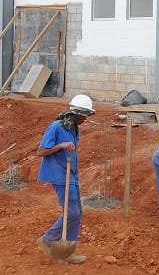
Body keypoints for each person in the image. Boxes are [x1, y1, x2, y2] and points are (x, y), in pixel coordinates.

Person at [35, 94, 94, 265]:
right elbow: (40, 151)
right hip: (59, 175)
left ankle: (68, 251)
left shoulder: (74, 127)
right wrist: (61, 146)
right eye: (84, 116)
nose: (85, 119)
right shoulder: (56, 127)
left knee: (77, 213)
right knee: (71, 212)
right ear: (76, 113)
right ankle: (47, 239)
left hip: (71, 174)